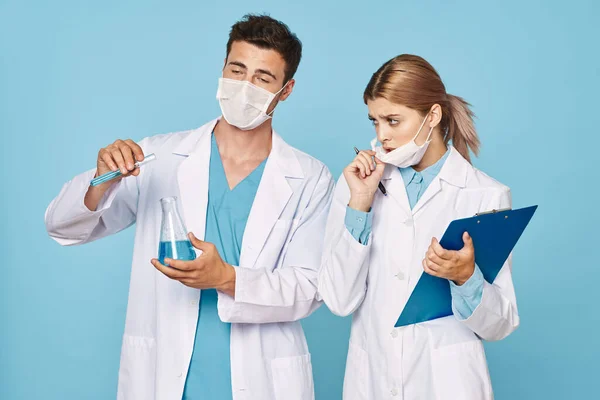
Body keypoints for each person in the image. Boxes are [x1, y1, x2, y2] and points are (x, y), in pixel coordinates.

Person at [45, 14, 333, 400]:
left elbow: (310, 287)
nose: (245, 86)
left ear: (286, 90)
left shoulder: (309, 177)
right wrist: (103, 180)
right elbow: (63, 228)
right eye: (237, 70)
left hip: (260, 378)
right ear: (222, 69)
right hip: (163, 373)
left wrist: (226, 278)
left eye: (263, 78)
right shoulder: (160, 156)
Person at [317, 54, 519, 400]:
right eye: (375, 122)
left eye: (393, 121)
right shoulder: (357, 186)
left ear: (433, 116)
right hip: (373, 381)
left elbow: (500, 323)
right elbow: (338, 300)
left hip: (449, 384)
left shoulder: (485, 195)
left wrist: (466, 278)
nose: (382, 136)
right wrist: (360, 207)